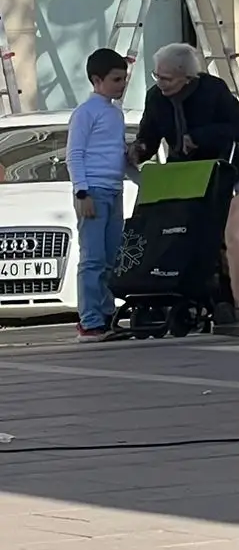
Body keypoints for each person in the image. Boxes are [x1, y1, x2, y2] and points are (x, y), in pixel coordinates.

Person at [133, 42, 239, 335]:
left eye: (167, 78)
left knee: (226, 239)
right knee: (183, 237)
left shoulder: (213, 90)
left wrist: (200, 136)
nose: (160, 83)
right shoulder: (156, 97)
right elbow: (150, 134)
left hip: (224, 173)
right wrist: (139, 149)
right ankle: (188, 296)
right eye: (157, 76)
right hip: (184, 176)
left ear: (187, 77)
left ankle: (236, 302)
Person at [68, 48, 130, 343]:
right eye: (116, 79)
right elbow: (74, 154)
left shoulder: (116, 113)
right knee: (92, 258)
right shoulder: (85, 113)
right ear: (97, 80)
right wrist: (82, 191)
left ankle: (106, 315)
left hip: (114, 190)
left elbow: (117, 153)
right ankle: (89, 320)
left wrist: (139, 177)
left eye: (124, 79)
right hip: (92, 191)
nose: (122, 85)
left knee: (111, 257)